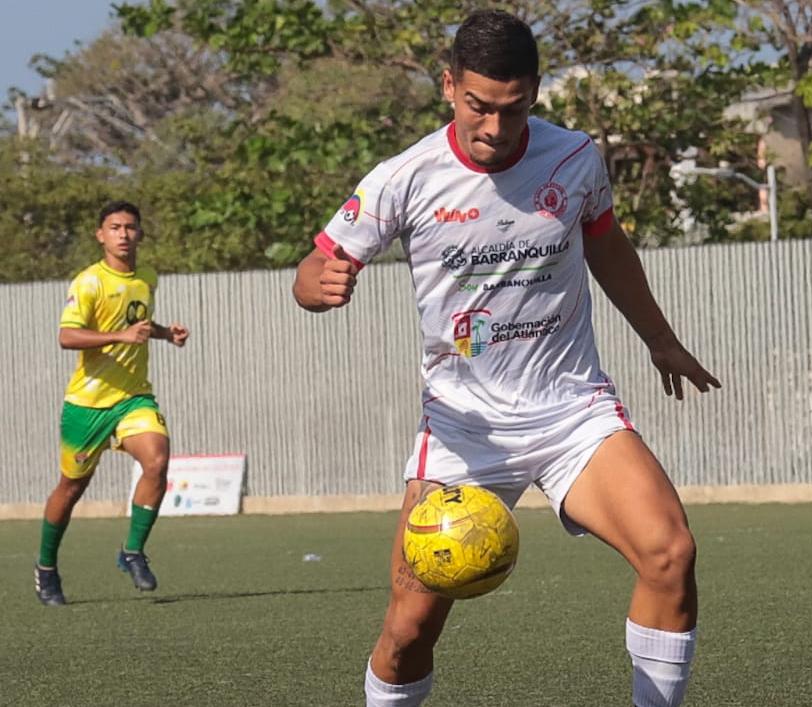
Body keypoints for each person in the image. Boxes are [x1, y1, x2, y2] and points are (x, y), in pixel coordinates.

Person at [290, 11, 719, 706]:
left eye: (513, 109)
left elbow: (606, 243)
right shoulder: (404, 177)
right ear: (449, 85)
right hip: (463, 434)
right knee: (407, 628)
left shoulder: (574, 158)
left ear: (536, 93)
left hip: (571, 409)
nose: (494, 127)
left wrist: (658, 337)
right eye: (478, 107)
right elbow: (315, 269)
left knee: (671, 554)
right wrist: (320, 286)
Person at [34, 201, 190, 606]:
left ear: (140, 234)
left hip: (133, 398)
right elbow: (67, 336)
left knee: (157, 460)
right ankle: (46, 569)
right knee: (71, 488)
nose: (123, 234)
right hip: (87, 406)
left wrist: (163, 333)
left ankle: (132, 551)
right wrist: (120, 338)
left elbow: (134, 321)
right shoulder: (88, 282)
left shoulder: (147, 278)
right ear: (100, 235)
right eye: (115, 227)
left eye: (131, 227)